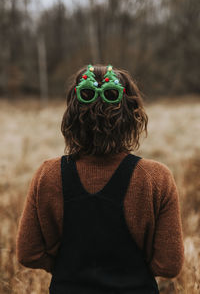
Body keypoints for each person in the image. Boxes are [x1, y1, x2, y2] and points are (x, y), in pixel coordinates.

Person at [16, 64, 184, 294]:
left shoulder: (48, 174)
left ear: (72, 114)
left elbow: (28, 253)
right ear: (132, 113)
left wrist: (69, 272)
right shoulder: (156, 178)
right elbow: (169, 264)